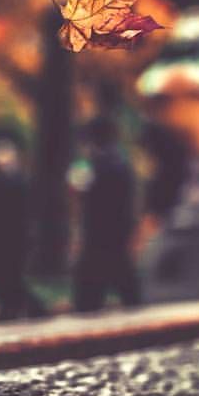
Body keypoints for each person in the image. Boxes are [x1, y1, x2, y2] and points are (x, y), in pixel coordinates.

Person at [72, 117, 140, 311]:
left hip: (97, 237)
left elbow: (83, 197)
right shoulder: (122, 164)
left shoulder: (94, 166)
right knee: (125, 284)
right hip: (117, 235)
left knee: (88, 292)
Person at [0, 134, 44, 320]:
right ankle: (13, 308)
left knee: (11, 278)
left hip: (15, 239)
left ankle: (29, 308)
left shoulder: (20, 180)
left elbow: (25, 213)